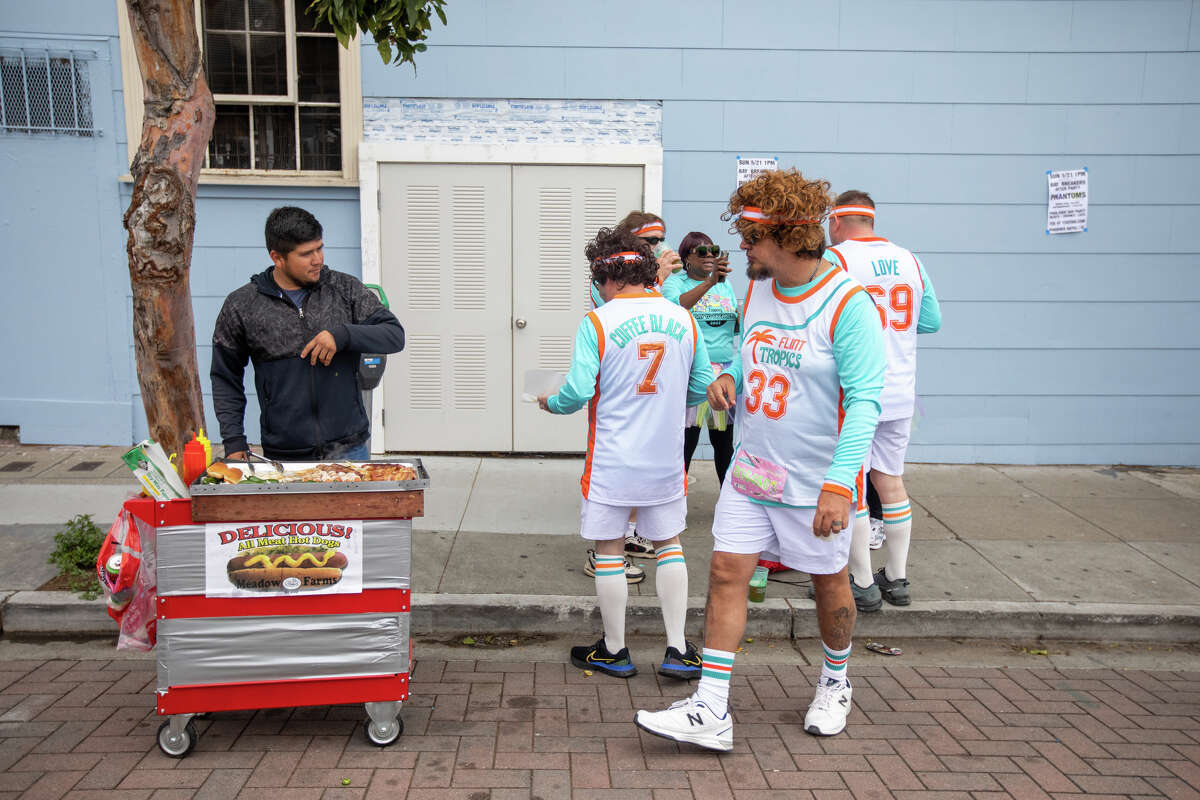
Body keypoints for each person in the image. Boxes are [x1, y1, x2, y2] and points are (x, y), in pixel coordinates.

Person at [635, 169, 885, 751]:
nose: (740, 248)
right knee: (725, 572)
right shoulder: (759, 287)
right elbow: (750, 354)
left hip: (814, 480)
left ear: (787, 236)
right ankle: (711, 708)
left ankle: (835, 680)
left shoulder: (847, 304)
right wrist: (727, 376)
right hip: (753, 471)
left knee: (828, 582)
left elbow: (866, 402)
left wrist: (839, 487)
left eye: (751, 236)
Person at [541, 226, 714, 681]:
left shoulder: (597, 322)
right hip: (664, 457)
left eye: (596, 282)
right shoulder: (683, 318)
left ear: (607, 278)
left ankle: (615, 650)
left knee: (610, 550)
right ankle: (678, 648)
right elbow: (700, 386)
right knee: (668, 545)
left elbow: (576, 391)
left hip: (613, 459)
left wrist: (550, 401)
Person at [211, 206, 405, 462]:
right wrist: (234, 441)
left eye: (319, 248)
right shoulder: (242, 305)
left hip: (349, 450)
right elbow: (225, 377)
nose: (318, 260)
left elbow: (394, 335)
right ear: (277, 258)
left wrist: (342, 336)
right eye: (306, 254)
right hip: (285, 456)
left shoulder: (344, 289)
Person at [825, 191, 942, 609]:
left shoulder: (837, 260)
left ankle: (860, 580)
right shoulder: (910, 259)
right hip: (900, 387)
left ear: (837, 221)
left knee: (854, 485)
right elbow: (931, 321)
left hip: (857, 390)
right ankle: (897, 576)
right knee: (890, 481)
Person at [585, 210, 682, 570]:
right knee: (621, 472)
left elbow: (672, 314)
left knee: (645, 468)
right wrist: (658, 277)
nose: (661, 246)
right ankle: (612, 547)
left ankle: (628, 538)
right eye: (652, 241)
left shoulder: (656, 276)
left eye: (662, 238)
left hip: (655, 397)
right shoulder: (608, 282)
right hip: (623, 394)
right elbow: (626, 314)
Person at [661, 232, 737, 486]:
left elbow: (730, 325)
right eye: (701, 251)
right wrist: (710, 283)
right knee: (687, 441)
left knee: (723, 441)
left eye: (713, 250)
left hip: (722, 371)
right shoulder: (676, 282)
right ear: (686, 259)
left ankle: (729, 503)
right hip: (692, 372)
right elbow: (675, 310)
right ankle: (672, 500)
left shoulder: (724, 284)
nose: (709, 256)